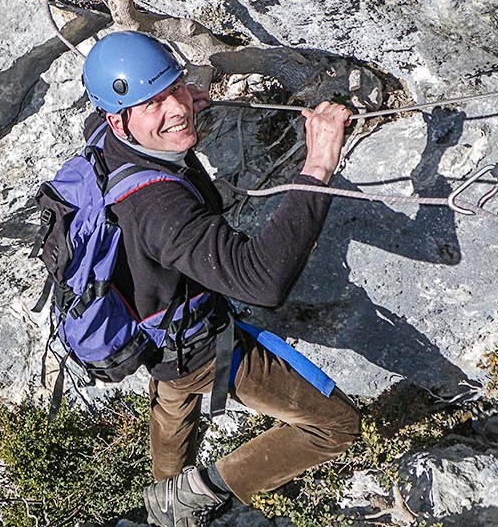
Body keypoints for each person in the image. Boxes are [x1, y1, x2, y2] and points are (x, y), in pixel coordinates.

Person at [79, 31, 362, 527]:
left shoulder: (108, 144)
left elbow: (148, 113)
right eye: (153, 104)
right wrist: (317, 165)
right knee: (335, 426)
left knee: (172, 427)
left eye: (176, 89)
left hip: (157, 342)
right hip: (201, 350)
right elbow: (260, 281)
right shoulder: (157, 207)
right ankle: (205, 490)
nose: (176, 108)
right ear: (118, 119)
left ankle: (164, 512)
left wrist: (177, 111)